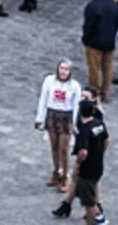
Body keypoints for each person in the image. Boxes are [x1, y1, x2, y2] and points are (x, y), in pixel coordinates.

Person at [52, 100, 107, 224]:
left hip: (87, 169)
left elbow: (83, 153)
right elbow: (107, 140)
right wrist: (99, 153)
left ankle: (98, 220)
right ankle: (66, 206)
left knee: (89, 203)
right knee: (79, 185)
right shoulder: (99, 124)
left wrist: (78, 163)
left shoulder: (84, 130)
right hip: (98, 165)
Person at [35, 58, 82, 195]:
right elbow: (43, 99)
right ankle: (56, 171)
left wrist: (75, 125)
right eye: (61, 68)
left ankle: (65, 175)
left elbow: (76, 106)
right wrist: (40, 117)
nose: (63, 71)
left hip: (66, 117)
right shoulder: (49, 81)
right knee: (54, 147)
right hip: (52, 115)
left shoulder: (74, 86)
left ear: (70, 71)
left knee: (64, 148)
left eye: (66, 69)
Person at [81, 0, 118, 103]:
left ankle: (94, 92)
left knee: (94, 68)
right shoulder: (115, 6)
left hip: (94, 42)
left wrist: (85, 39)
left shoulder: (92, 5)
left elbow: (88, 26)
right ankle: (104, 93)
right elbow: (117, 23)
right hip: (110, 42)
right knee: (107, 69)